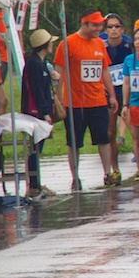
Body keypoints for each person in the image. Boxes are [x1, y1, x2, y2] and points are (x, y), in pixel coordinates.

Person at [54, 10, 120, 190]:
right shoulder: (67, 44)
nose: (99, 28)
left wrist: (112, 96)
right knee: (74, 141)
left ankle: (107, 174)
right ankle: (75, 177)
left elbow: (105, 70)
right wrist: (59, 98)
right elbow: (58, 72)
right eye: (95, 25)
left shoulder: (99, 43)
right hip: (75, 103)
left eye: (100, 25)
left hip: (98, 100)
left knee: (103, 138)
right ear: (84, 24)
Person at [20, 28, 59, 198]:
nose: (52, 45)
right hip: (35, 112)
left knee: (38, 147)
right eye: (50, 43)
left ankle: (36, 183)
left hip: (41, 110)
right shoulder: (34, 64)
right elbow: (36, 90)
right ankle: (34, 186)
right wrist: (44, 112)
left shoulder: (42, 62)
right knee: (35, 148)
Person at [102, 13, 133, 177]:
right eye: (110, 27)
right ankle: (115, 169)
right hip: (109, 94)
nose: (114, 30)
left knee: (135, 131)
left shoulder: (129, 45)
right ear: (106, 30)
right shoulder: (102, 46)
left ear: (122, 29)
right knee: (110, 132)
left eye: (117, 26)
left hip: (127, 92)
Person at [121, 28, 139, 180]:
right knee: (138, 139)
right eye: (136, 38)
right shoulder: (129, 59)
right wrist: (125, 104)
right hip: (135, 103)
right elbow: (126, 83)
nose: (138, 42)